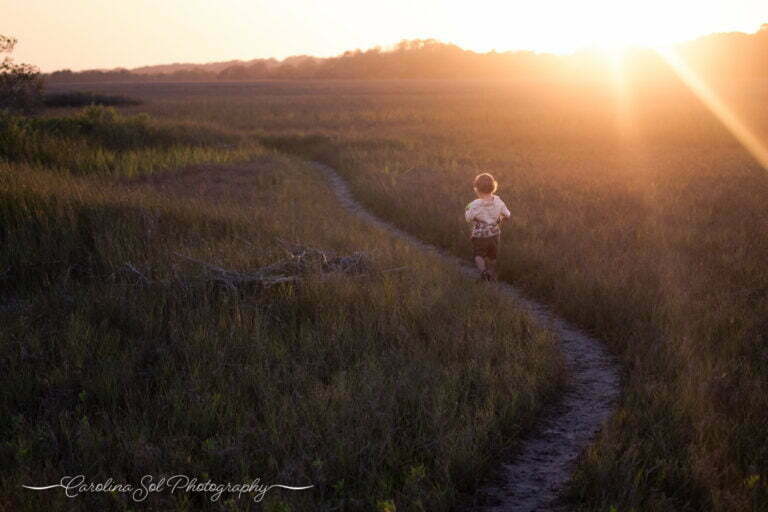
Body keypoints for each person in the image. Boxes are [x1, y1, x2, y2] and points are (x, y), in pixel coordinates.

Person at [465, 173, 511, 281]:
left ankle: (483, 273)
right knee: (492, 256)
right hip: (494, 233)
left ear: (476, 189)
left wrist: (468, 208)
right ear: (493, 187)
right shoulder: (498, 201)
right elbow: (507, 215)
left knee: (478, 255)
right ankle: (491, 273)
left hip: (480, 235)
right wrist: (497, 221)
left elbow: (468, 217)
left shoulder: (475, 204)